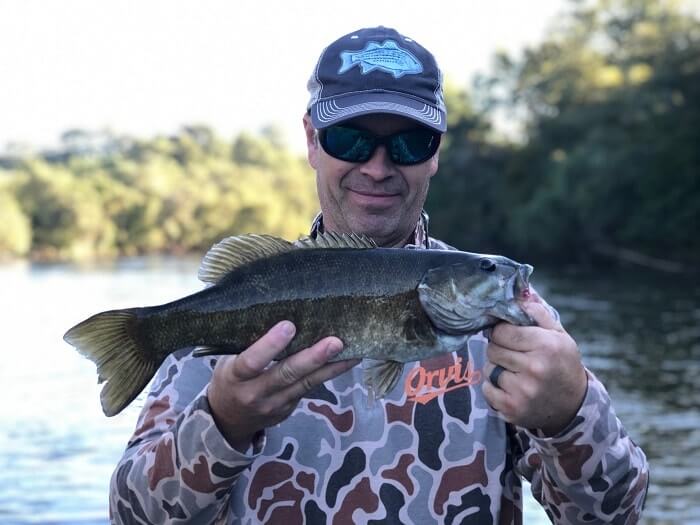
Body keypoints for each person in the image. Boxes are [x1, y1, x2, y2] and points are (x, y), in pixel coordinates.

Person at [110, 27, 648, 524]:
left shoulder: (513, 322)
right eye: (350, 139)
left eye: (411, 142)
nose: (378, 166)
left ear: (436, 152)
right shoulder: (236, 309)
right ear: (312, 140)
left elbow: (614, 516)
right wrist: (222, 423)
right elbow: (130, 515)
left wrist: (569, 416)